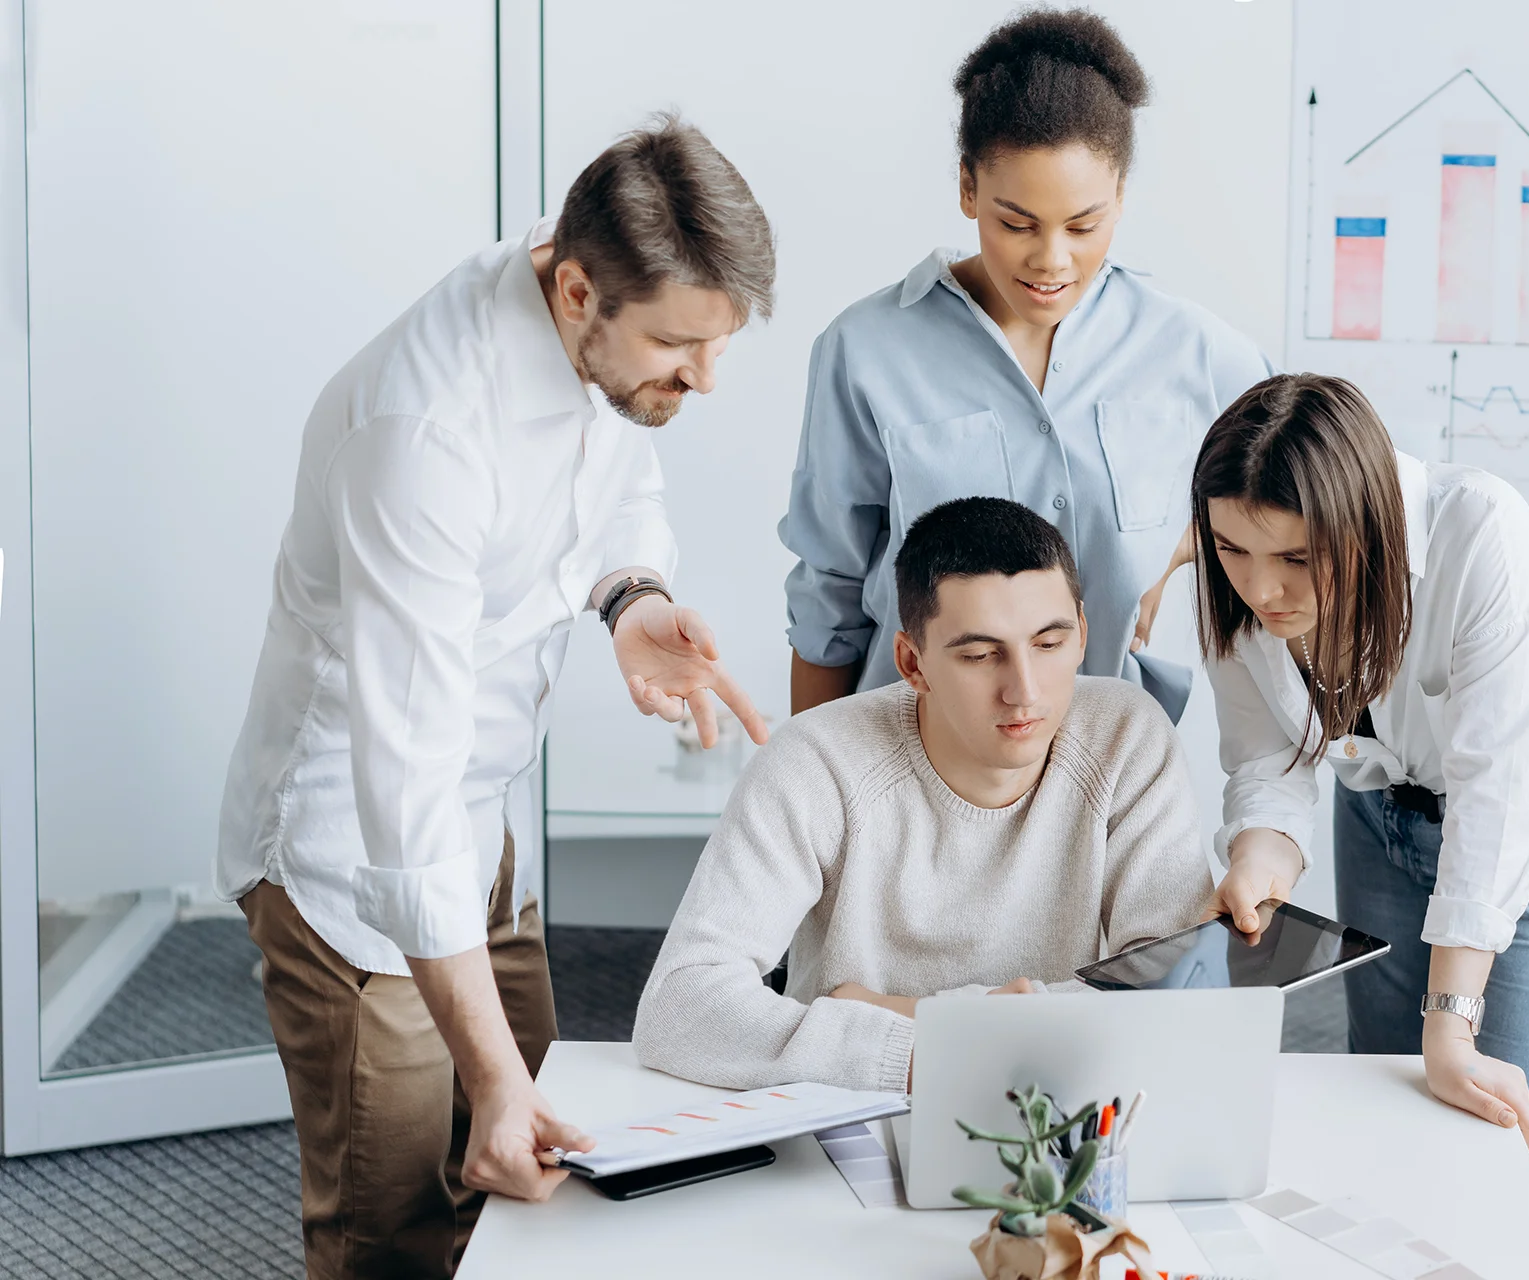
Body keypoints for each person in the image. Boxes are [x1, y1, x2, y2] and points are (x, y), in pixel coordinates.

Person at [215, 118, 774, 1279]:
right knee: (399, 1232)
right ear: (577, 291)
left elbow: (621, 483)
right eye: (681, 347)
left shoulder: (588, 320)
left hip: (483, 827)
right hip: (353, 859)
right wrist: (487, 1072)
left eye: (719, 346)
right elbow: (402, 781)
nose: (703, 379)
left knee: (539, 1179)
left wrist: (633, 600)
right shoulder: (420, 433)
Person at [1195, 373, 1529, 1260]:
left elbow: (1500, 794)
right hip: (1381, 821)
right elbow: (1267, 758)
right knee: (1393, 1122)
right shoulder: (1237, 570)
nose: (1261, 590)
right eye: (1232, 550)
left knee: (1504, 1165)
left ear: (1361, 523)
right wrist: (1261, 861)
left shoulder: (1485, 536)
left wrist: (1451, 1021)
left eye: (1295, 560)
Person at [780, 7, 1272, 724]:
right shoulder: (865, 351)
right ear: (967, 189)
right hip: (904, 758)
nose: (1051, 260)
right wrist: (811, 795)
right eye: (1017, 224)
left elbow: (1301, 502)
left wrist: (1180, 547)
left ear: (1122, 197)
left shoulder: (1195, 350)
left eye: (1083, 225)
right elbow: (827, 595)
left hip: (1099, 765)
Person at [635, 497, 1216, 1091]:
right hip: (847, 1120)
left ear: (1083, 633)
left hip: (1063, 1125)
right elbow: (679, 1005)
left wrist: (901, 1010)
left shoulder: (1128, 737)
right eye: (980, 655)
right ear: (913, 662)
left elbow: (1174, 997)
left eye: (1049, 645)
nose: (1024, 691)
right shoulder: (817, 759)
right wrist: (933, 1053)